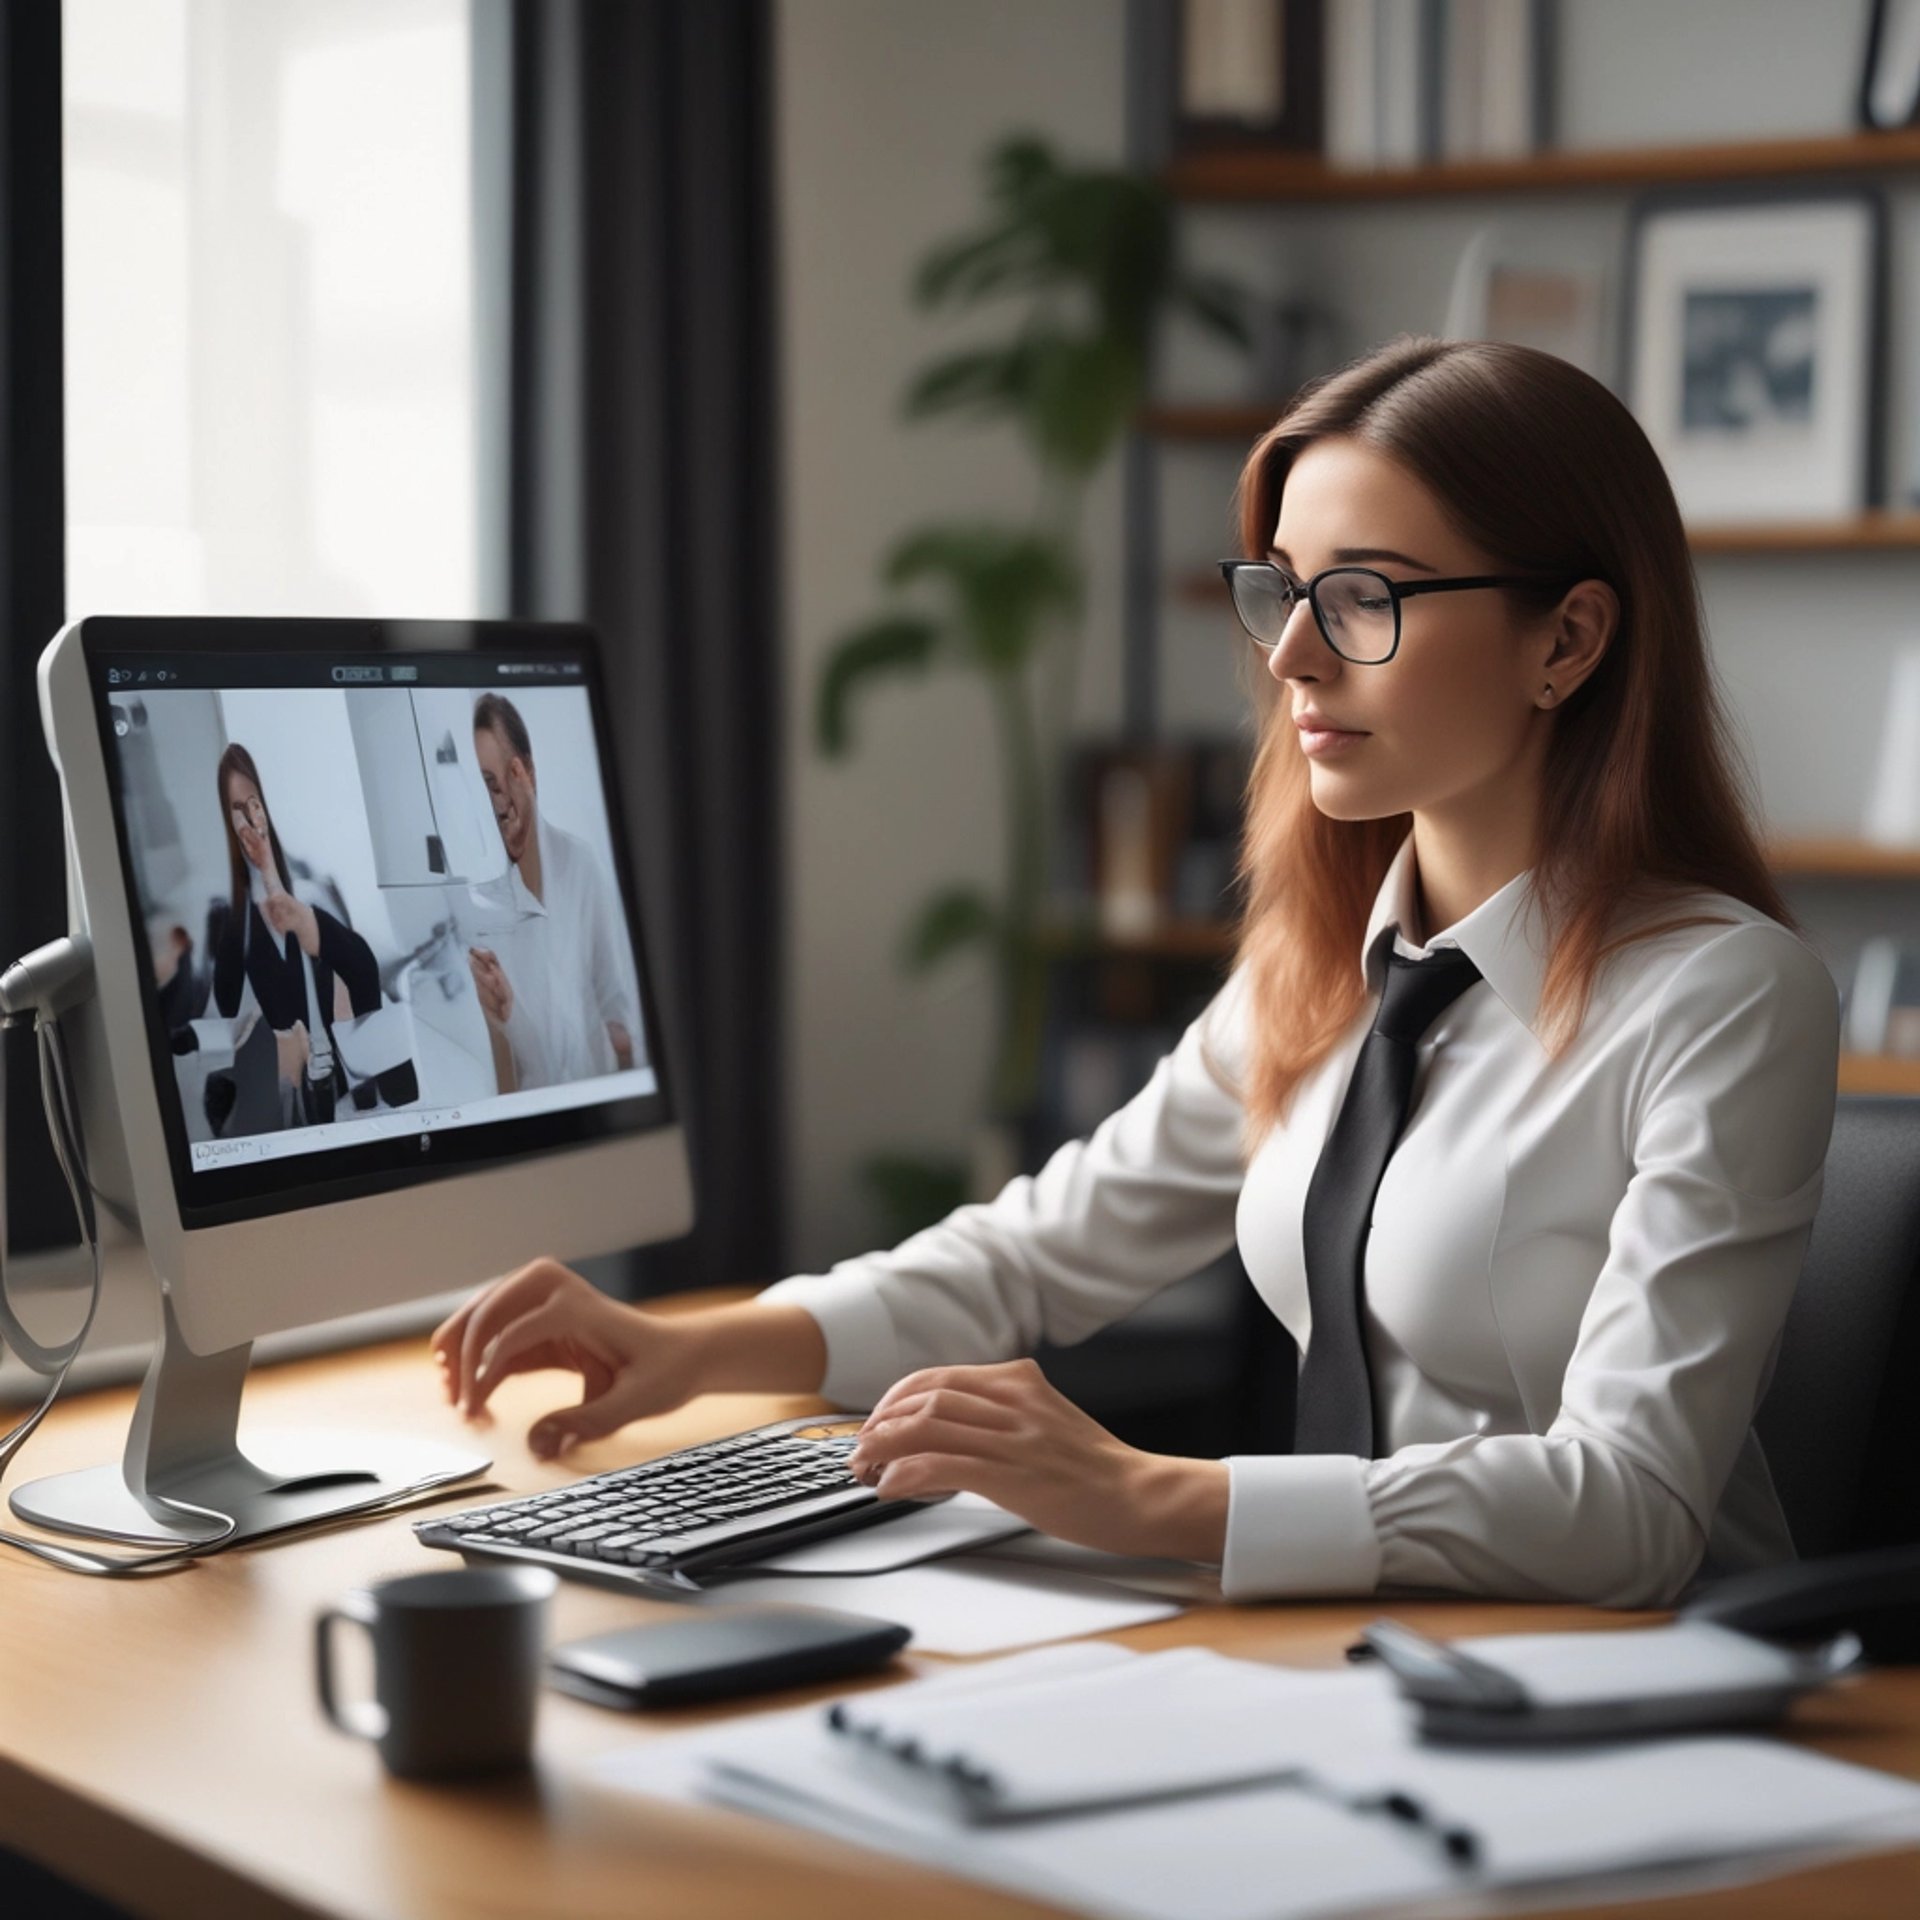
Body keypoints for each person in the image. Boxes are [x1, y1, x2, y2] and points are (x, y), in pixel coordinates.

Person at [431, 337, 1839, 1609]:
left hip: (1645, 1699)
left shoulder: (1721, 1001)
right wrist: (696, 1348)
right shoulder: (1323, 970)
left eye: (1362, 598)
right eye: (1283, 591)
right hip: (1362, 1651)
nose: (1290, 653)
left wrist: (1153, 1497)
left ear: (1569, 641)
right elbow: (1040, 1252)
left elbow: (1634, 1508)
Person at [466, 692, 641, 1094]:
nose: (499, 803)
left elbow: (614, 998)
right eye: (485, 787)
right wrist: (508, 1020)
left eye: (505, 778)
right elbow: (507, 1066)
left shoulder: (581, 863)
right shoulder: (481, 911)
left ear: (527, 771)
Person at [211, 742, 383, 1127]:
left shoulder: (313, 892)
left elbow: (360, 979)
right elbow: (229, 1019)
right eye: (236, 810)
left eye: (253, 803)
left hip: (347, 1084)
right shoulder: (233, 925)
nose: (249, 818)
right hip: (292, 1097)